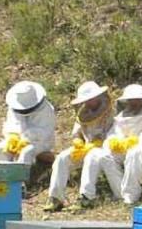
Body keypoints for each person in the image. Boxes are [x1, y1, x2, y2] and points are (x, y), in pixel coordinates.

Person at [44, 81, 114, 212]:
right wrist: (78, 142)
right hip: (86, 147)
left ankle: (86, 198)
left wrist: (99, 143)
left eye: (90, 99)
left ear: (97, 97)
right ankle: (55, 198)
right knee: (62, 158)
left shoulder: (111, 112)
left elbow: (115, 135)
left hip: (105, 150)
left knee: (91, 158)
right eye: (86, 100)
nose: (88, 102)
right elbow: (76, 133)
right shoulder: (83, 113)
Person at [106, 84, 142, 206]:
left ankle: (131, 195)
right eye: (131, 99)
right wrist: (116, 141)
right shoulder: (122, 116)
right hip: (123, 148)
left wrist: (136, 141)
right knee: (104, 156)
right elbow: (114, 132)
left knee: (134, 153)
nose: (134, 102)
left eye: (137, 99)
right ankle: (120, 193)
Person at [0, 81, 56, 164]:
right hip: (18, 138)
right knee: (0, 149)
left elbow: (45, 133)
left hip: (41, 143)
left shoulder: (46, 110)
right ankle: (4, 174)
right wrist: (12, 136)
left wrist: (27, 139)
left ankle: (21, 175)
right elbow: (12, 123)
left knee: (26, 152)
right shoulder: (14, 107)